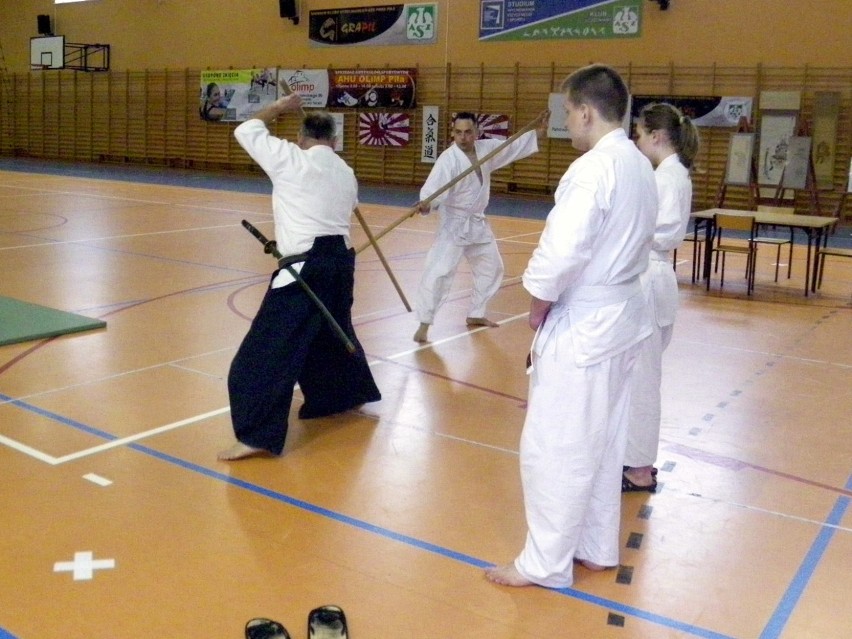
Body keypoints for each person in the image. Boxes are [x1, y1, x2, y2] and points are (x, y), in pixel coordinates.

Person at [485, 64, 657, 588]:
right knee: (601, 441)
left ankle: (544, 563)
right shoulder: (638, 165)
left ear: (585, 110)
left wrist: (538, 304)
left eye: (567, 112)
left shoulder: (592, 169)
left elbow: (561, 253)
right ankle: (595, 545)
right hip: (623, 318)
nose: (567, 122)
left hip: (586, 322)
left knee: (555, 446)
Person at [218, 93, 381, 461]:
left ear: (301, 138)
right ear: (335, 141)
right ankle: (340, 397)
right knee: (328, 333)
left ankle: (257, 434)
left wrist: (278, 107)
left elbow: (246, 129)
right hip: (340, 265)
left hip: (306, 268)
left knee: (261, 355)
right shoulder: (345, 171)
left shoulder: (291, 159)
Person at [412, 110, 549, 343]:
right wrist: (427, 203)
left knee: (492, 268)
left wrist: (540, 133)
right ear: (452, 133)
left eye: (467, 132)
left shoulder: (486, 150)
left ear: (476, 132)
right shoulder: (449, 159)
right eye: (458, 132)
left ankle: (476, 313)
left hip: (477, 222)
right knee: (439, 272)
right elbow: (435, 188)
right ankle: (424, 323)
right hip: (454, 225)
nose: (463, 137)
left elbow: (511, 147)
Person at [622, 103, 700, 491]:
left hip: (651, 278)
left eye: (638, 134)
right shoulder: (669, 175)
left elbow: (661, 234)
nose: (636, 140)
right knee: (636, 374)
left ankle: (638, 469)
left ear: (657, 136)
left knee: (642, 378)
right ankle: (632, 458)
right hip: (652, 276)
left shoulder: (668, 179)